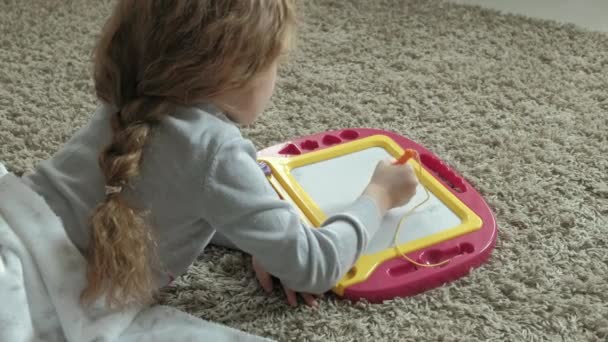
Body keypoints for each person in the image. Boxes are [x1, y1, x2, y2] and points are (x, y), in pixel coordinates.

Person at [21, 0, 418, 309]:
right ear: (237, 73)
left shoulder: (129, 103)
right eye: (277, 62)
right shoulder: (216, 153)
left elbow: (163, 199)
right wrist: (380, 195)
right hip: (35, 294)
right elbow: (314, 267)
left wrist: (262, 240)